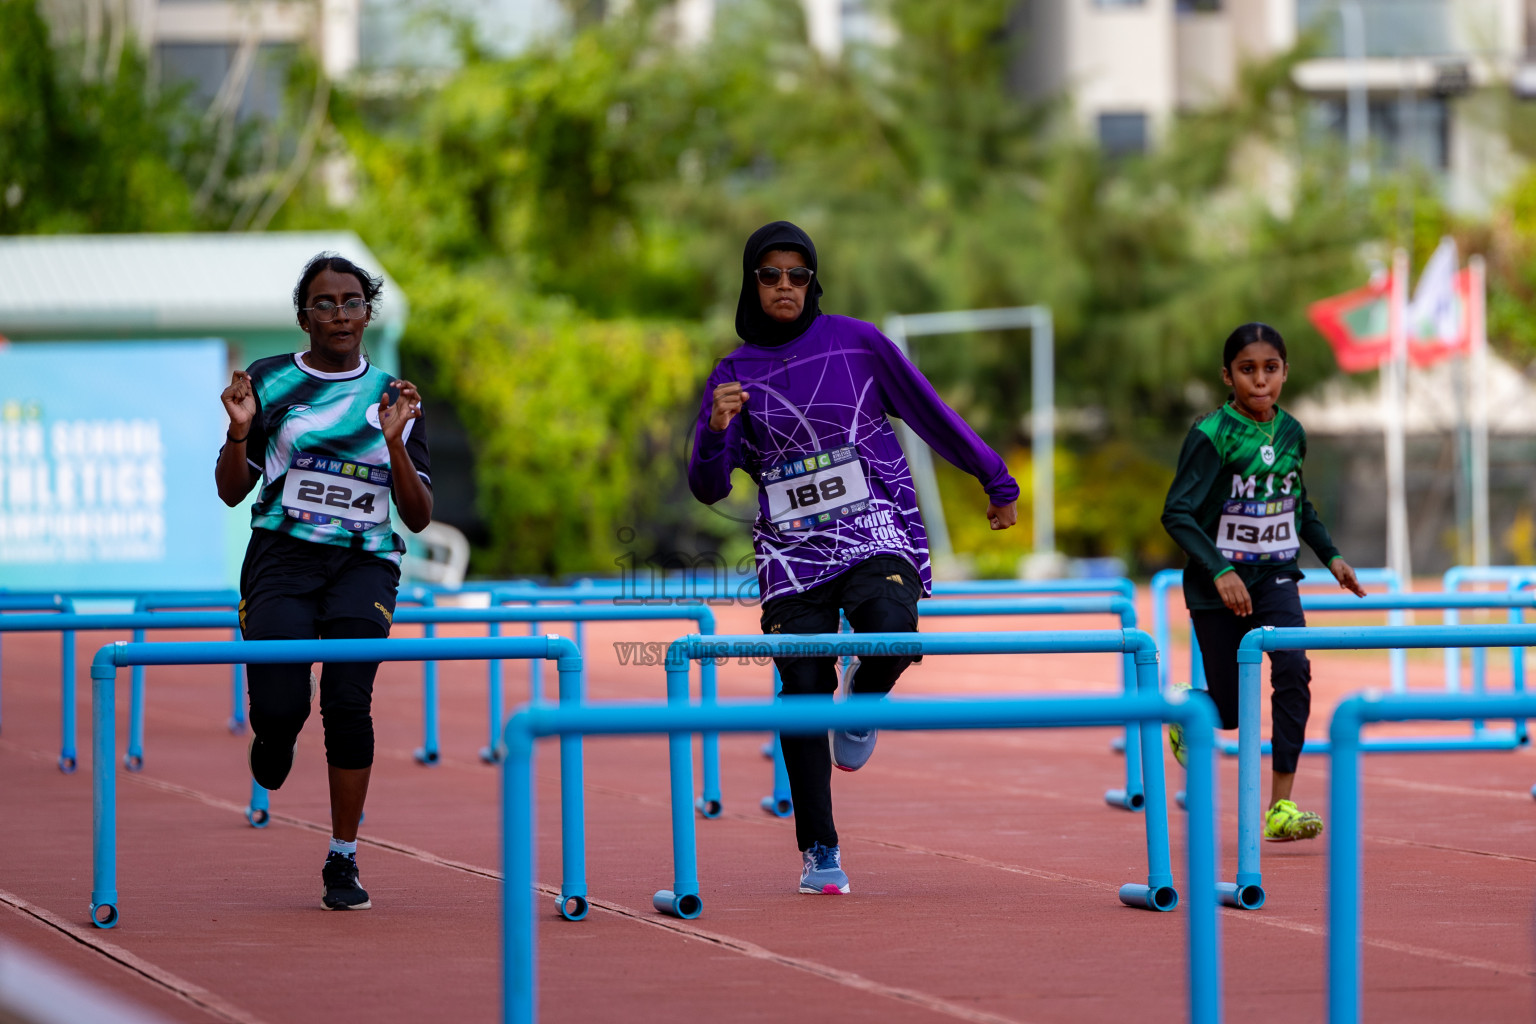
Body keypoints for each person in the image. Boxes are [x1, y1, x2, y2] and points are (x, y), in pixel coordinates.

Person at [688, 221, 1019, 894]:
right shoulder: (732, 375)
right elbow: (709, 487)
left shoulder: (858, 342)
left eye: (798, 274)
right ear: (751, 283)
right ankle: (819, 851)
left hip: (873, 527)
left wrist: (993, 475)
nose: (785, 285)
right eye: (771, 275)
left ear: (814, 282)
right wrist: (714, 430)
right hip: (790, 552)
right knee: (803, 692)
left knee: (893, 630)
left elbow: (930, 413)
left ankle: (862, 700)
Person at [215, 252, 432, 909]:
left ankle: (343, 858)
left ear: (369, 311)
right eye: (325, 303)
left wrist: (395, 442)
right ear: (303, 318)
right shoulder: (270, 381)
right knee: (282, 708)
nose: (340, 314)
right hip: (282, 557)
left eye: (352, 301)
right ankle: (275, 734)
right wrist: (238, 433)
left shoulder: (396, 396)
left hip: (364, 561)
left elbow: (419, 516)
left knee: (346, 700)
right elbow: (230, 493)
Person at [1161, 322, 1364, 841]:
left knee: (1293, 671)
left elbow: (1299, 502)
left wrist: (1332, 555)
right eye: (1247, 370)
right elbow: (1177, 514)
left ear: (1285, 373)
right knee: (1228, 711)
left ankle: (1281, 805)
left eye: (1270, 369)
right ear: (1227, 376)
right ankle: (1187, 708)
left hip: (1275, 576)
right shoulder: (1210, 435)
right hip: (1217, 585)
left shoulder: (1293, 432)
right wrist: (1221, 569)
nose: (1260, 381)